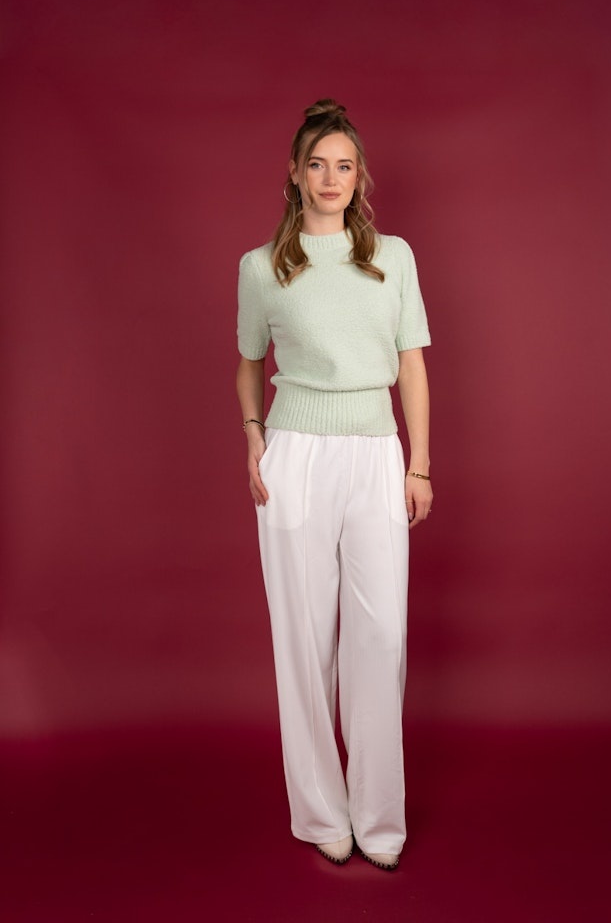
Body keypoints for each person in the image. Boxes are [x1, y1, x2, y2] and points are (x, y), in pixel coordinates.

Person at [236, 99, 432, 871]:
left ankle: (379, 815)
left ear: (359, 177)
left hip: (376, 452)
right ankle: (321, 811)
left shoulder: (393, 257)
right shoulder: (262, 267)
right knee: (303, 637)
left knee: (381, 639)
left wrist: (419, 463)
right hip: (295, 457)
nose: (330, 178)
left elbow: (411, 364)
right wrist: (254, 437)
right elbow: (249, 361)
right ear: (294, 173)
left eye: (343, 166)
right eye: (316, 164)